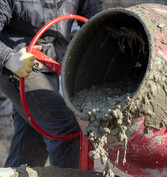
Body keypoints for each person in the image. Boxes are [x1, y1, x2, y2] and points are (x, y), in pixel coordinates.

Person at [0, 0, 102, 168]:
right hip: (20, 68)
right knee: (65, 128)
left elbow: (94, 21)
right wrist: (8, 57)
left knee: (31, 144)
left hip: (52, 67)